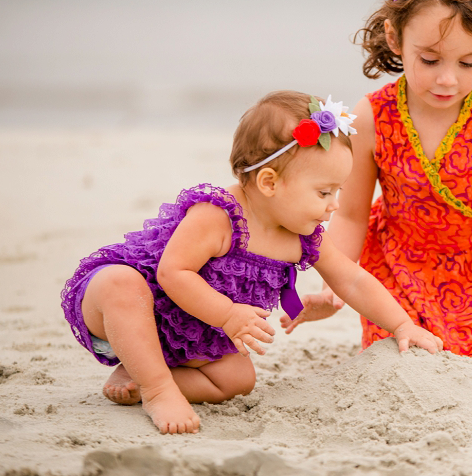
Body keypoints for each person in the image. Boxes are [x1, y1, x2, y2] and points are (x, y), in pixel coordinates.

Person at [60, 91, 444, 435]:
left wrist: (402, 324)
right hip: (134, 309)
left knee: (237, 379)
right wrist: (227, 315)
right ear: (269, 182)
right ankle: (157, 389)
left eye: (338, 191)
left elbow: (353, 280)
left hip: (192, 332)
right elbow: (171, 272)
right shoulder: (218, 216)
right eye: (324, 191)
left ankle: (142, 372)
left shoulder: (300, 235)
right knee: (120, 283)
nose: (335, 205)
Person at [281, 0, 472, 378]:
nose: (448, 79)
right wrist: (334, 287)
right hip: (397, 273)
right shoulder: (373, 116)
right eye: (429, 59)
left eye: (469, 62)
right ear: (395, 38)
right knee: (405, 361)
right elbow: (351, 216)